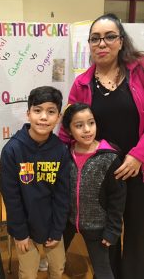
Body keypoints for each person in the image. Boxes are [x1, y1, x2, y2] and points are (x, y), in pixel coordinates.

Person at [58, 13, 144, 279]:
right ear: (89, 44)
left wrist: (138, 155)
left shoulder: (140, 72)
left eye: (109, 37)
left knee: (138, 234)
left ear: (121, 41)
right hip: (99, 177)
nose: (102, 43)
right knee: (107, 237)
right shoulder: (81, 83)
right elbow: (67, 129)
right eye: (95, 39)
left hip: (138, 170)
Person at [0, 86, 70, 279]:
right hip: (25, 231)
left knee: (57, 269)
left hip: (52, 227)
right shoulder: (12, 150)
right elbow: (11, 197)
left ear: (59, 117)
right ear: (28, 113)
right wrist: (20, 233)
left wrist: (57, 230)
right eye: (37, 110)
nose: (44, 117)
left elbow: (63, 196)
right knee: (28, 273)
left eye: (51, 111)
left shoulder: (61, 150)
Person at [62, 102, 126, 279]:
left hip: (97, 227)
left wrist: (113, 229)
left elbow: (117, 198)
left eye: (91, 123)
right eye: (79, 125)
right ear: (69, 130)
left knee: (103, 270)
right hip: (67, 222)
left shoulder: (109, 158)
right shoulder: (65, 154)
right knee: (56, 260)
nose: (87, 129)